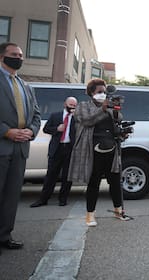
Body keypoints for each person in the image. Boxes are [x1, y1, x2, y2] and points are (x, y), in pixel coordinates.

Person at [68, 78, 131, 227]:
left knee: (115, 181)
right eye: (99, 92)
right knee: (94, 182)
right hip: (92, 149)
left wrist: (116, 114)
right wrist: (103, 109)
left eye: (104, 92)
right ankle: (90, 215)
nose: (102, 94)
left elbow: (118, 121)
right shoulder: (83, 106)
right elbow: (87, 121)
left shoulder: (109, 107)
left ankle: (118, 211)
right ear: (91, 92)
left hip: (112, 148)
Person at [0, 42, 41, 253]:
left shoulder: (26, 86)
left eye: (21, 55)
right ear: (2, 57)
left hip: (21, 149)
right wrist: (7, 131)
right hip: (3, 145)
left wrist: (31, 131)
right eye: (14, 54)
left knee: (11, 196)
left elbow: (36, 115)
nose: (19, 58)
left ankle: (5, 236)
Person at [30, 97, 78, 207]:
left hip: (70, 149)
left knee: (67, 177)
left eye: (74, 105)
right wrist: (57, 129)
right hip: (57, 149)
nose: (72, 106)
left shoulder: (77, 118)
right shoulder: (55, 115)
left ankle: (63, 199)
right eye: (70, 104)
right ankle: (43, 199)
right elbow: (46, 129)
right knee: (51, 175)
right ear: (65, 104)